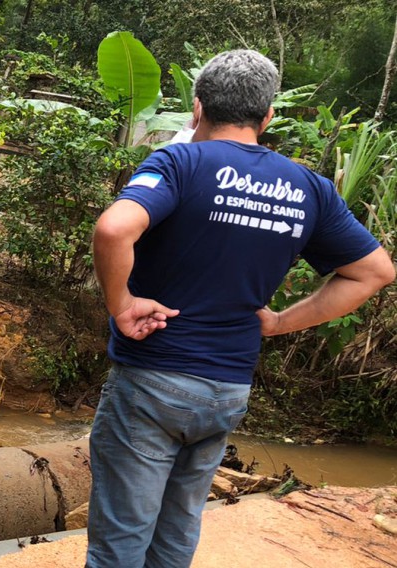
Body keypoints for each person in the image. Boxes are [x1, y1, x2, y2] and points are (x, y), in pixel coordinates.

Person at [87, 50, 394, 568]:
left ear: (196, 107)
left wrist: (121, 305)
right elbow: (375, 272)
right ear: (267, 117)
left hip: (153, 379)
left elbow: (115, 228)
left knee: (121, 539)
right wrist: (278, 322)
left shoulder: (178, 162)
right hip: (227, 387)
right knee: (179, 528)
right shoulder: (309, 189)